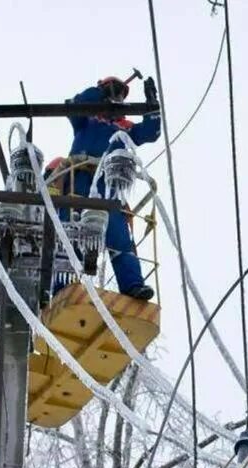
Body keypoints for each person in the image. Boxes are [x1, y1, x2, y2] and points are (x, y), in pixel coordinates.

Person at [62, 75, 161, 300]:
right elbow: (75, 105)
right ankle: (64, 284)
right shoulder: (87, 118)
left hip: (109, 183)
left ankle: (132, 285)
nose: (118, 97)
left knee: (118, 233)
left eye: (121, 93)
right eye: (114, 91)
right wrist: (100, 93)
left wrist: (152, 104)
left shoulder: (124, 128)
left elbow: (151, 132)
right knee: (73, 227)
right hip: (81, 174)